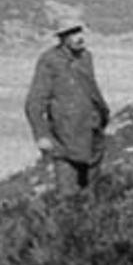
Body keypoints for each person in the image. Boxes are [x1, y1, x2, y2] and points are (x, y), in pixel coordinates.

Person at [24, 24, 111, 195]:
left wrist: (102, 116)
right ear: (62, 38)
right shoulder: (49, 60)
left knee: (91, 196)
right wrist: (41, 135)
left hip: (92, 134)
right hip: (65, 139)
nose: (79, 37)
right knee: (68, 198)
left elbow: (91, 91)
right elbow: (34, 102)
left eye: (79, 32)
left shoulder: (86, 57)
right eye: (72, 33)